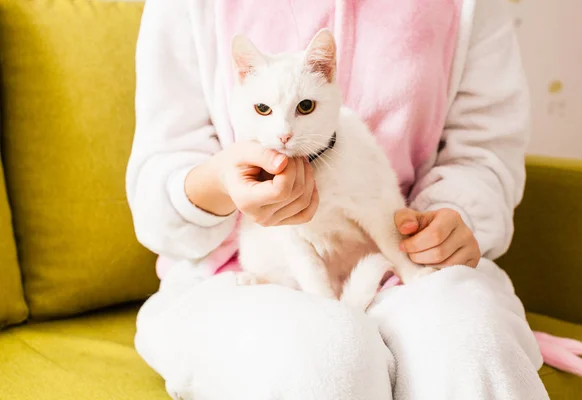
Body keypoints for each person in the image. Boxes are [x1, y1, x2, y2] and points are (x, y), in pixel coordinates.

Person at [126, 0, 551, 398]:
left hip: (408, 260)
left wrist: (453, 216)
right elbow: (158, 176)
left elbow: (483, 151)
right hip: (234, 276)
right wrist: (219, 183)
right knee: (327, 358)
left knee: (471, 343)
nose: (284, 130)